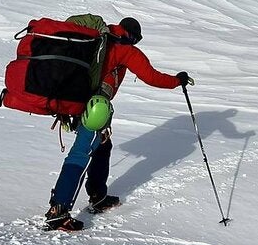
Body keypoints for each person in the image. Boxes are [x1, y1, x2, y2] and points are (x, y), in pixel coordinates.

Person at [44, 15, 193, 231]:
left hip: (78, 104)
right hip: (95, 108)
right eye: (137, 40)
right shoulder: (124, 48)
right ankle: (58, 211)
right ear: (132, 36)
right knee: (80, 153)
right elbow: (151, 77)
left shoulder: (99, 39)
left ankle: (98, 195)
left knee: (103, 146)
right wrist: (177, 81)